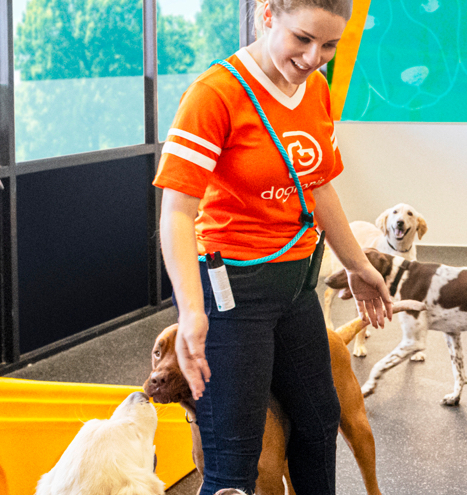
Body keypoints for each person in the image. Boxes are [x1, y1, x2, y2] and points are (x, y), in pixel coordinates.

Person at [152, 0, 393, 493]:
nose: (313, 57)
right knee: (235, 456)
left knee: (318, 424)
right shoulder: (214, 94)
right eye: (302, 39)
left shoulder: (316, 89)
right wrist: (192, 312)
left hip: (297, 287)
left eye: (329, 45)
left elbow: (319, 184)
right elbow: (176, 213)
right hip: (232, 294)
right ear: (267, 16)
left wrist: (357, 264)